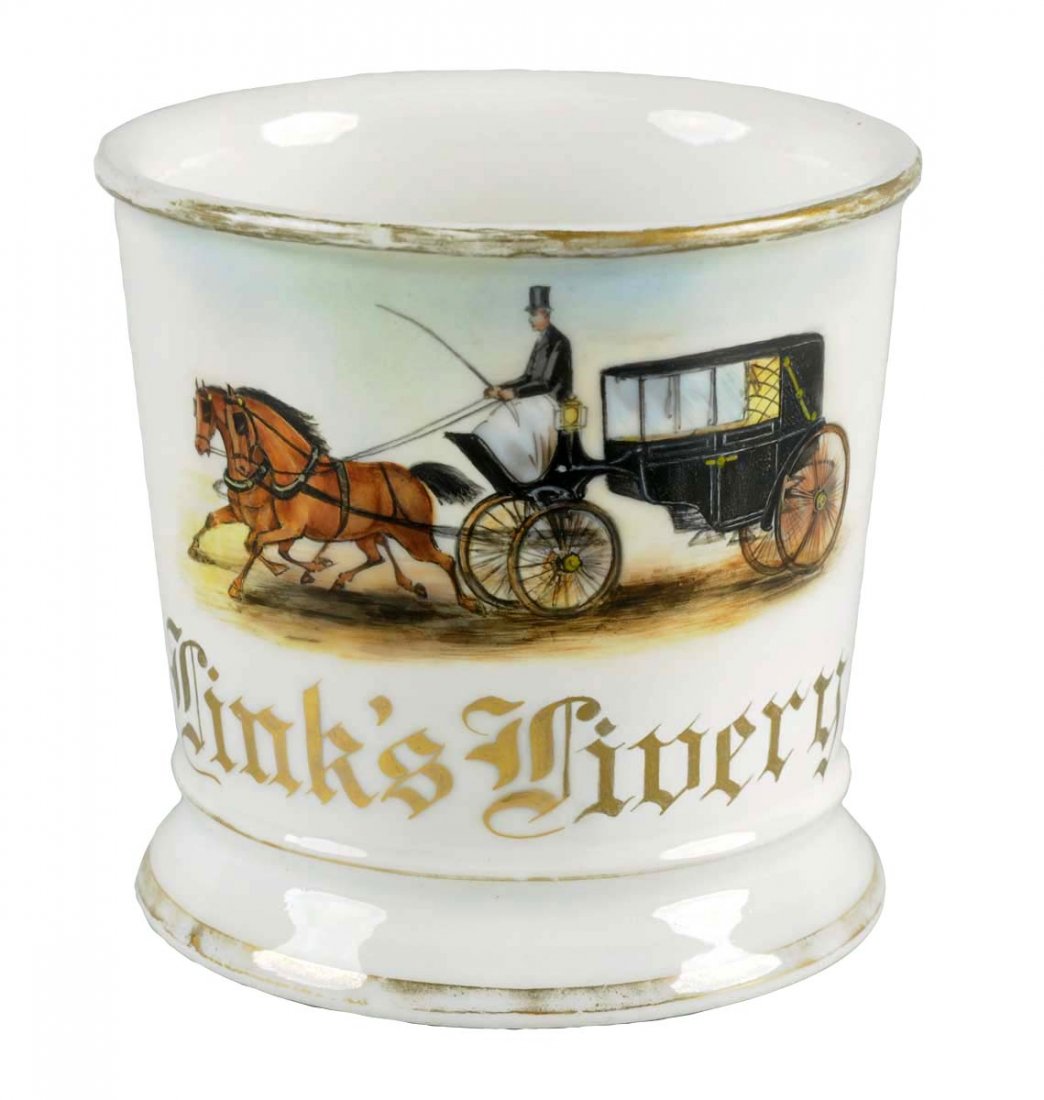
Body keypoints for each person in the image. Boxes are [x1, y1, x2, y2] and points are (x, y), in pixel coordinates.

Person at [476, 287, 573, 481]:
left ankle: (527, 472)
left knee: (515, 415)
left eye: (533, 315)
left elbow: (546, 383)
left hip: (552, 402)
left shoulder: (559, 342)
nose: (530, 319)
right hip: (536, 398)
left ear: (545, 314)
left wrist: (515, 393)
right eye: (531, 315)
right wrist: (500, 388)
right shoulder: (540, 342)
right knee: (501, 415)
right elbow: (527, 377)